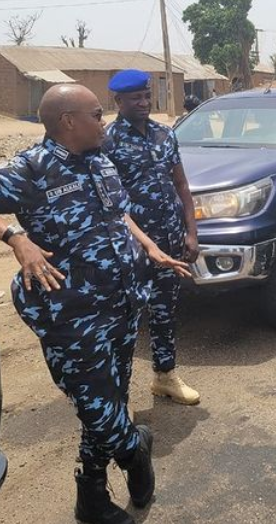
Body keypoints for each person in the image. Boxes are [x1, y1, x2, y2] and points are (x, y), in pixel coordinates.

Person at [0, 84, 190, 524]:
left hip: (121, 305)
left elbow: (118, 214)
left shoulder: (100, 159)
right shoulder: (32, 168)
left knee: (110, 398)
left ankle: (91, 498)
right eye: (97, 113)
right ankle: (136, 449)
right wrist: (15, 238)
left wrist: (150, 246)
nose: (104, 119)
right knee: (96, 406)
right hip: (72, 315)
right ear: (68, 121)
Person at [104, 69, 201, 405]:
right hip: (132, 247)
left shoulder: (164, 134)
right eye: (136, 98)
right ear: (118, 101)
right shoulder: (107, 142)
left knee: (164, 312)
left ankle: (165, 376)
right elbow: (112, 205)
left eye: (147, 95)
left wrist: (191, 231)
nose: (144, 102)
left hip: (171, 240)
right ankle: (119, 398)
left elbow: (181, 185)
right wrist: (145, 243)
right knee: (126, 319)